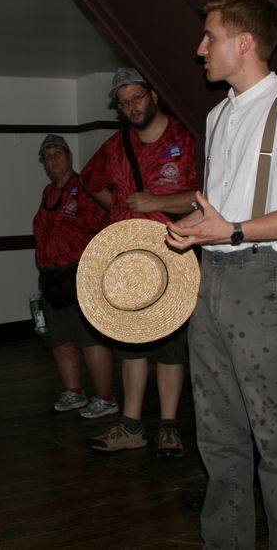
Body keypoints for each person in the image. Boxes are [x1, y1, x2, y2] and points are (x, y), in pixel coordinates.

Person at [165, 0, 277, 549]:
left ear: (244, 42)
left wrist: (233, 230)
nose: (200, 49)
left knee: (276, 440)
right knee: (218, 437)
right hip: (210, 280)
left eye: (209, 37)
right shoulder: (216, 116)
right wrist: (190, 228)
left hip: (263, 283)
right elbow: (219, 207)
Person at [80, 68, 198, 457]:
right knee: (131, 343)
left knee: (169, 347)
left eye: (137, 98)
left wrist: (157, 203)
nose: (131, 107)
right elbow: (90, 181)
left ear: (154, 96)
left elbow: (204, 197)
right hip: (126, 260)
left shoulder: (186, 138)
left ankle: (168, 427)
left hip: (173, 256)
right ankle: (130, 426)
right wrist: (119, 212)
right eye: (124, 102)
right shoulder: (115, 145)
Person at [32, 134, 117, 418]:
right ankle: (74, 392)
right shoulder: (48, 192)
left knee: (89, 339)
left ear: (69, 156)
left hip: (80, 274)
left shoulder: (86, 187)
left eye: (58, 153)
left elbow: (106, 224)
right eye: (47, 156)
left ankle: (105, 398)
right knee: (59, 339)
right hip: (51, 278)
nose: (53, 160)